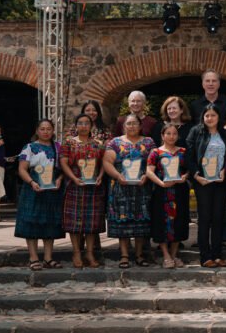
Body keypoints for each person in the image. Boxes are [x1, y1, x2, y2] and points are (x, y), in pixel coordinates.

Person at [103, 113, 156, 269]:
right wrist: (117, 176)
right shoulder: (115, 142)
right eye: (129, 123)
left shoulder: (148, 142)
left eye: (135, 123)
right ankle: (124, 255)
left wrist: (147, 175)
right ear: (123, 126)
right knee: (122, 223)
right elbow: (107, 162)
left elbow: (154, 162)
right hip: (121, 188)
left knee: (141, 222)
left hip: (142, 188)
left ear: (140, 126)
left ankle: (139, 255)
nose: (132, 126)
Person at [186, 104, 226, 268]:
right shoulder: (196, 132)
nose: (210, 118)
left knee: (218, 218)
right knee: (205, 218)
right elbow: (189, 156)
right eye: (207, 116)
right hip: (203, 182)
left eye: (213, 115)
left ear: (218, 117)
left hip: (220, 182)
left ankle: (218, 255)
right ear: (203, 117)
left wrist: (225, 171)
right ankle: (205, 256)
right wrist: (196, 175)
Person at [15, 119, 64, 271]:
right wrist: (31, 182)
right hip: (33, 188)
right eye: (42, 129)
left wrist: (60, 180)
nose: (46, 131)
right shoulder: (29, 147)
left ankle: (48, 258)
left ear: (53, 131)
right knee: (31, 221)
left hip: (52, 190)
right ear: (37, 131)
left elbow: (63, 169)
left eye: (49, 129)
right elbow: (22, 169)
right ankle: (33, 257)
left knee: (50, 222)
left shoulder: (58, 147)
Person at [59, 114, 106, 268]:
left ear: (91, 126)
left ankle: (90, 253)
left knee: (92, 223)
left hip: (94, 188)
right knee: (75, 223)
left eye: (87, 123)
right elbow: (63, 163)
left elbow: (104, 163)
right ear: (76, 125)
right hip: (75, 185)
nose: (84, 126)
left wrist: (100, 176)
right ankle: (76, 252)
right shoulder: (68, 143)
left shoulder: (98, 144)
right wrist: (73, 178)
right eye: (80, 123)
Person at [146, 124, 190, 269]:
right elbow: (149, 171)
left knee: (179, 221)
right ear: (162, 135)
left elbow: (189, 169)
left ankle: (173, 254)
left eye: (174, 134)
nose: (171, 136)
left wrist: (184, 177)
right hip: (162, 192)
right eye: (168, 133)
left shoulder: (183, 151)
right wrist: (161, 183)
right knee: (161, 222)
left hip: (179, 192)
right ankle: (166, 255)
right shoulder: (155, 152)